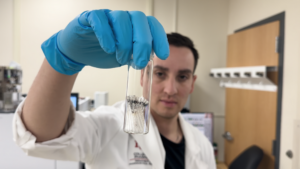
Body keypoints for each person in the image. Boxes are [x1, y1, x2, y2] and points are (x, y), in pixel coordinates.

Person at [13, 9, 216, 169]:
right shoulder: (110, 125)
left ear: (192, 83)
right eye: (160, 74)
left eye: (182, 77)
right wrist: (62, 60)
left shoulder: (202, 144)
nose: (170, 89)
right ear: (142, 77)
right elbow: (40, 136)